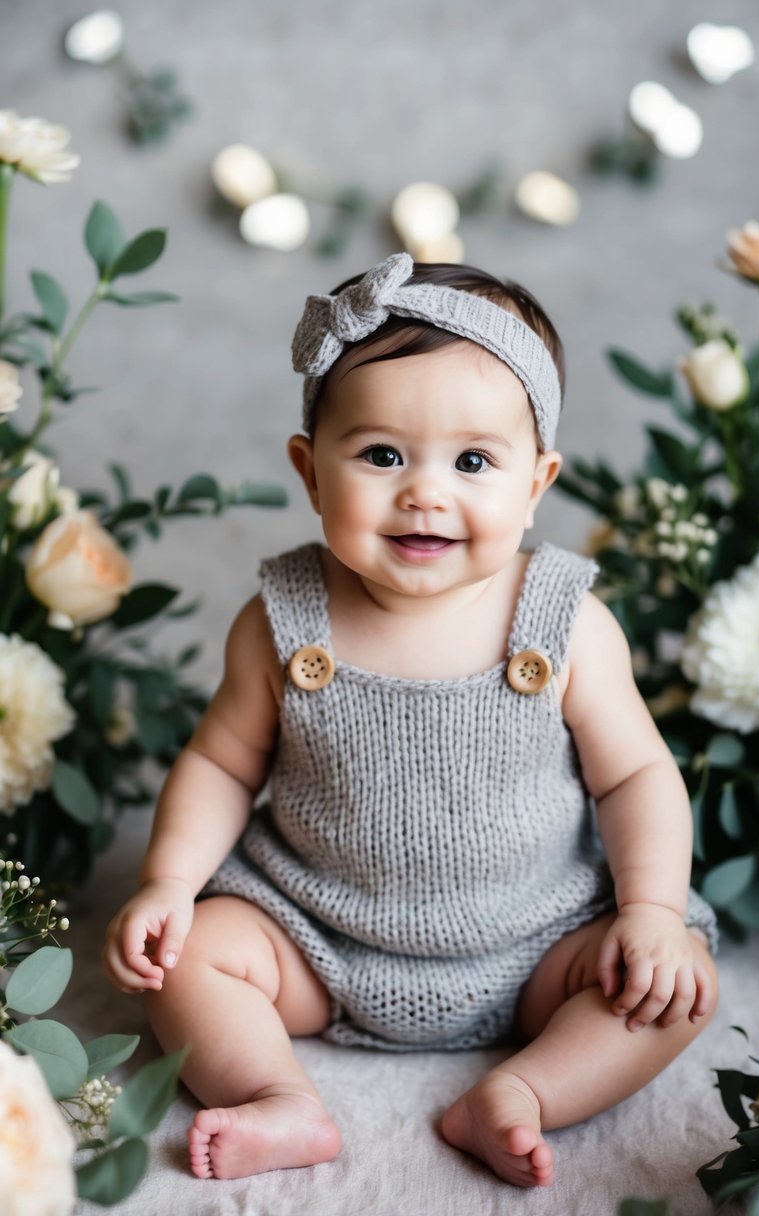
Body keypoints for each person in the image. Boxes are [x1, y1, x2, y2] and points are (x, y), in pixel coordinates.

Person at [103, 252, 718, 1189]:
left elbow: (635, 776)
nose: (425, 490)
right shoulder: (281, 619)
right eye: (381, 454)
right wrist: (168, 884)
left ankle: (521, 1091)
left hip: (535, 943)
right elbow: (222, 766)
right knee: (182, 964)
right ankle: (279, 1095)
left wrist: (651, 913)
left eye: (473, 461)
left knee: (672, 990)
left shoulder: (564, 623)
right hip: (311, 933)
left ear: (536, 482)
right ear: (310, 472)